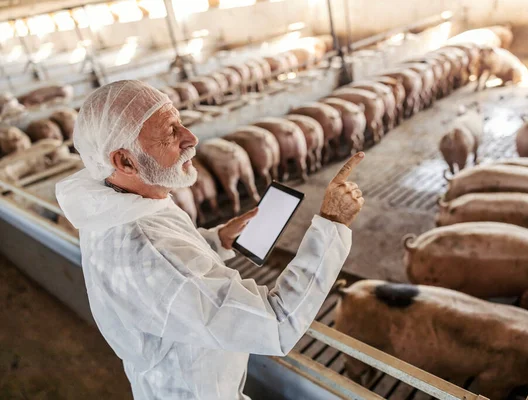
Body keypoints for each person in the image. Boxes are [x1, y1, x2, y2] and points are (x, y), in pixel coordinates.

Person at [55, 80, 365, 400]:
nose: (191, 138)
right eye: (170, 132)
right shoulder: (150, 252)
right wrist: (332, 224)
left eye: (180, 122)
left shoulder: (112, 207)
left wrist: (216, 240)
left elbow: (168, 264)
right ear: (125, 161)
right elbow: (277, 322)